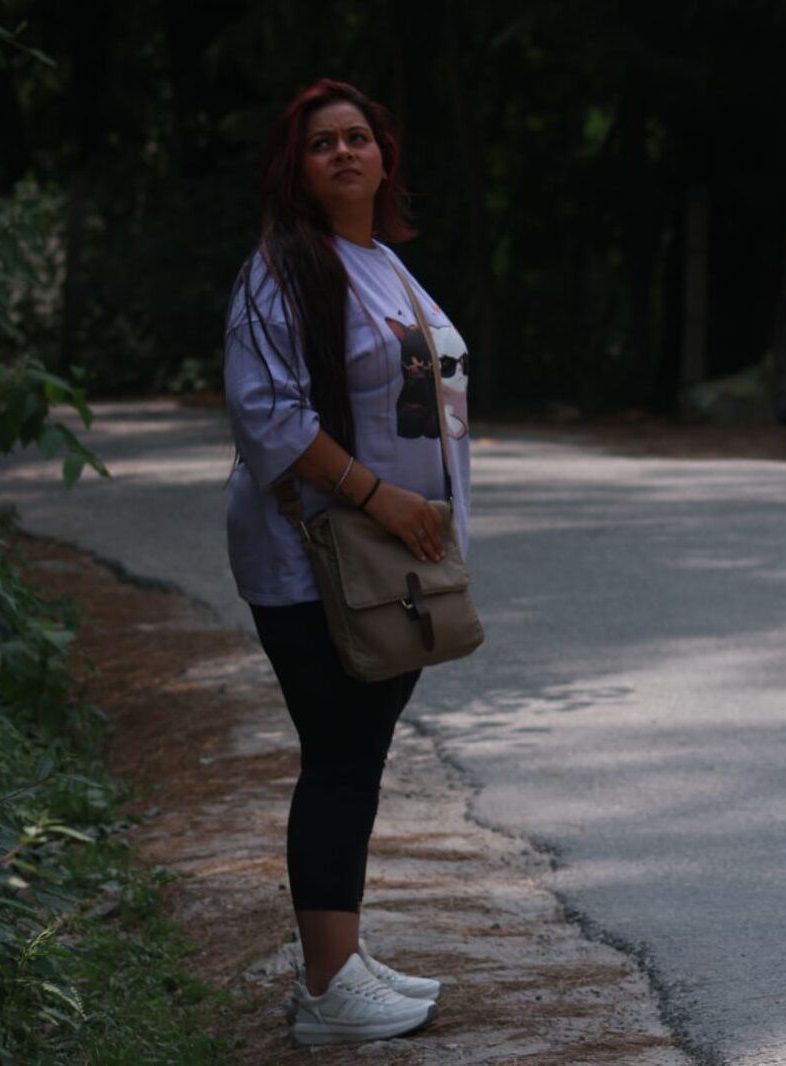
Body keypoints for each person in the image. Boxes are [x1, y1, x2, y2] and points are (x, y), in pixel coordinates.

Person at [223, 77, 471, 1047]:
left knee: (356, 755)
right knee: (337, 758)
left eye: (357, 136)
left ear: (383, 155)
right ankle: (328, 988)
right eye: (321, 142)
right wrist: (382, 497)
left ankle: (338, 958)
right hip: (316, 554)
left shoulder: (381, 263)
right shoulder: (282, 271)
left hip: (393, 555)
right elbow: (268, 417)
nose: (343, 152)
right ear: (296, 167)